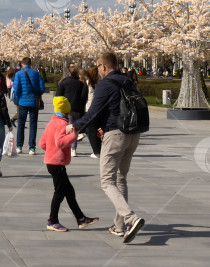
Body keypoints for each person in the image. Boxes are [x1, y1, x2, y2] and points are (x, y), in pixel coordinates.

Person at [68, 52, 145, 243]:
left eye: (98, 66)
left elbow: (93, 112)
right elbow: (116, 108)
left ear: (103, 66)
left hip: (116, 134)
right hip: (133, 134)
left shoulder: (105, 84)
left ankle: (130, 218)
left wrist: (75, 126)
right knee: (121, 179)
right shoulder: (128, 81)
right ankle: (119, 226)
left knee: (107, 181)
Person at [39, 96, 99, 232]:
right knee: (59, 192)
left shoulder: (51, 123)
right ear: (67, 110)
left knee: (69, 191)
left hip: (51, 162)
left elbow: (42, 143)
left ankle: (81, 218)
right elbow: (60, 142)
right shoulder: (61, 124)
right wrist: (74, 135)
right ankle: (52, 220)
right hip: (57, 163)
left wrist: (50, 151)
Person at [13, 57, 46, 156]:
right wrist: (37, 94)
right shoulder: (36, 73)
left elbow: (16, 88)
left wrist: (19, 99)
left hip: (23, 102)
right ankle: (32, 147)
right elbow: (42, 88)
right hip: (34, 103)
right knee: (33, 124)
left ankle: (19, 146)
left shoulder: (19, 74)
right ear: (30, 64)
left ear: (22, 64)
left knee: (21, 124)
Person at [56, 65, 88, 157]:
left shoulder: (63, 82)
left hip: (65, 108)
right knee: (74, 129)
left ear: (69, 73)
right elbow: (83, 97)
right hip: (77, 108)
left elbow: (58, 96)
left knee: (63, 128)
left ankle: (64, 147)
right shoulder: (81, 84)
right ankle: (73, 149)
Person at [79, 67, 101, 158]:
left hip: (89, 108)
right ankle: (100, 149)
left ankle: (96, 151)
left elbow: (84, 96)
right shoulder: (101, 82)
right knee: (98, 129)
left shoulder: (88, 83)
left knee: (92, 130)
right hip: (100, 108)